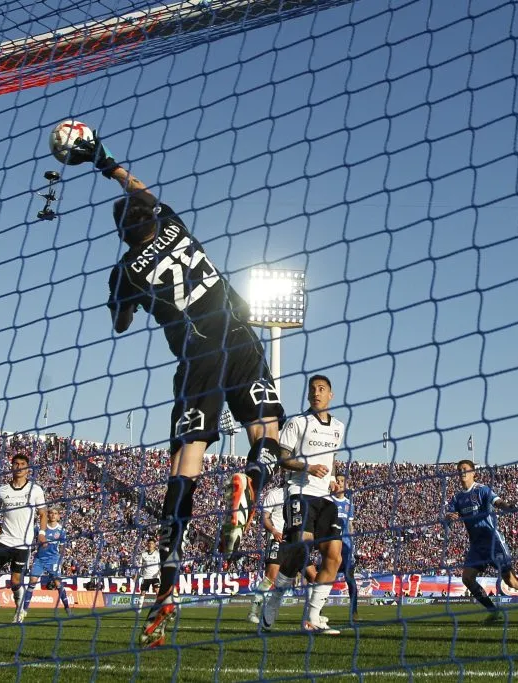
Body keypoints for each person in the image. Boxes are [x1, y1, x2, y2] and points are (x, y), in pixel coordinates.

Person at [64, 130, 286, 648]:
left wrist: (123, 298)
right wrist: (105, 161)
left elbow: (120, 323)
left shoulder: (125, 270)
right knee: (268, 432)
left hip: (197, 355)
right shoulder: (174, 225)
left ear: (123, 233)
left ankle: (168, 581)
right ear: (152, 216)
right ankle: (250, 479)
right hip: (239, 332)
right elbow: (140, 190)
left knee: (185, 464)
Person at [260, 375, 346, 635]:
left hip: (326, 498)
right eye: (312, 390)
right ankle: (274, 600)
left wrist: (333, 479)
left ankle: (312, 617)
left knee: (334, 556)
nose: (316, 393)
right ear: (308, 395)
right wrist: (307, 467)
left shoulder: (339, 427)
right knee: (301, 549)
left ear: (330, 394)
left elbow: (331, 459)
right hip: (300, 492)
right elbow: (282, 459)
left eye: (321, 389)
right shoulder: (298, 422)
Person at [445, 459, 518, 625]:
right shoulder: (457, 498)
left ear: (473, 472)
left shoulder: (482, 490)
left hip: (493, 542)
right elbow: (448, 519)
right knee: (467, 578)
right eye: (459, 470)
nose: (461, 472)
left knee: (510, 581)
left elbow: (498, 501)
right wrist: (449, 518)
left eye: (465, 469)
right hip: (476, 546)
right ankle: (494, 611)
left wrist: (508, 507)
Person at [0, 453, 47, 619]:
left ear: (27, 469)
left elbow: (43, 513)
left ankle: (19, 610)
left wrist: (42, 534)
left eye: (22, 464)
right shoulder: (2, 490)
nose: (19, 467)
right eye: (16, 463)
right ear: (12, 467)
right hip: (5, 541)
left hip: (23, 544)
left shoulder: (35, 490)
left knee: (15, 581)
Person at [16, 508, 71, 622]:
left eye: (55, 513)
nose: (53, 515)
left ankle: (67, 607)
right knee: (32, 581)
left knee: (57, 583)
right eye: (51, 513)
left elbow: (62, 547)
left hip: (53, 559)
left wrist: (60, 560)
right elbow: (31, 539)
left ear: (58, 516)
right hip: (39, 559)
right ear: (48, 515)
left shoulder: (61, 530)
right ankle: (24, 610)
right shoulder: (40, 528)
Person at [247, 481, 286, 624]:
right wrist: (274, 531)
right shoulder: (274, 494)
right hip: (277, 539)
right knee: (271, 577)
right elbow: (264, 517)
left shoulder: (300, 493)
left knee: (310, 575)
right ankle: (253, 612)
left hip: (295, 541)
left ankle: (314, 615)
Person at [330, 473, 360, 622]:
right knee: (326, 579)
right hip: (332, 545)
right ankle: (317, 611)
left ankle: (354, 611)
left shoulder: (349, 504)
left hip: (346, 547)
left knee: (350, 579)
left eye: (342, 481)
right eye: (337, 480)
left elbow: (350, 525)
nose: (339, 483)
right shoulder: (329, 501)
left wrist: (353, 544)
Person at [135, 538, 160, 611]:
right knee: (143, 592)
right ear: (147, 545)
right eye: (149, 543)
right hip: (146, 577)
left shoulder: (158, 554)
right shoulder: (143, 554)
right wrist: (136, 575)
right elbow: (139, 566)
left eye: (152, 543)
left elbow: (161, 565)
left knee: (157, 591)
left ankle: (159, 607)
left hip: (155, 576)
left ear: (154, 545)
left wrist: (160, 572)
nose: (150, 545)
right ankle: (139, 608)